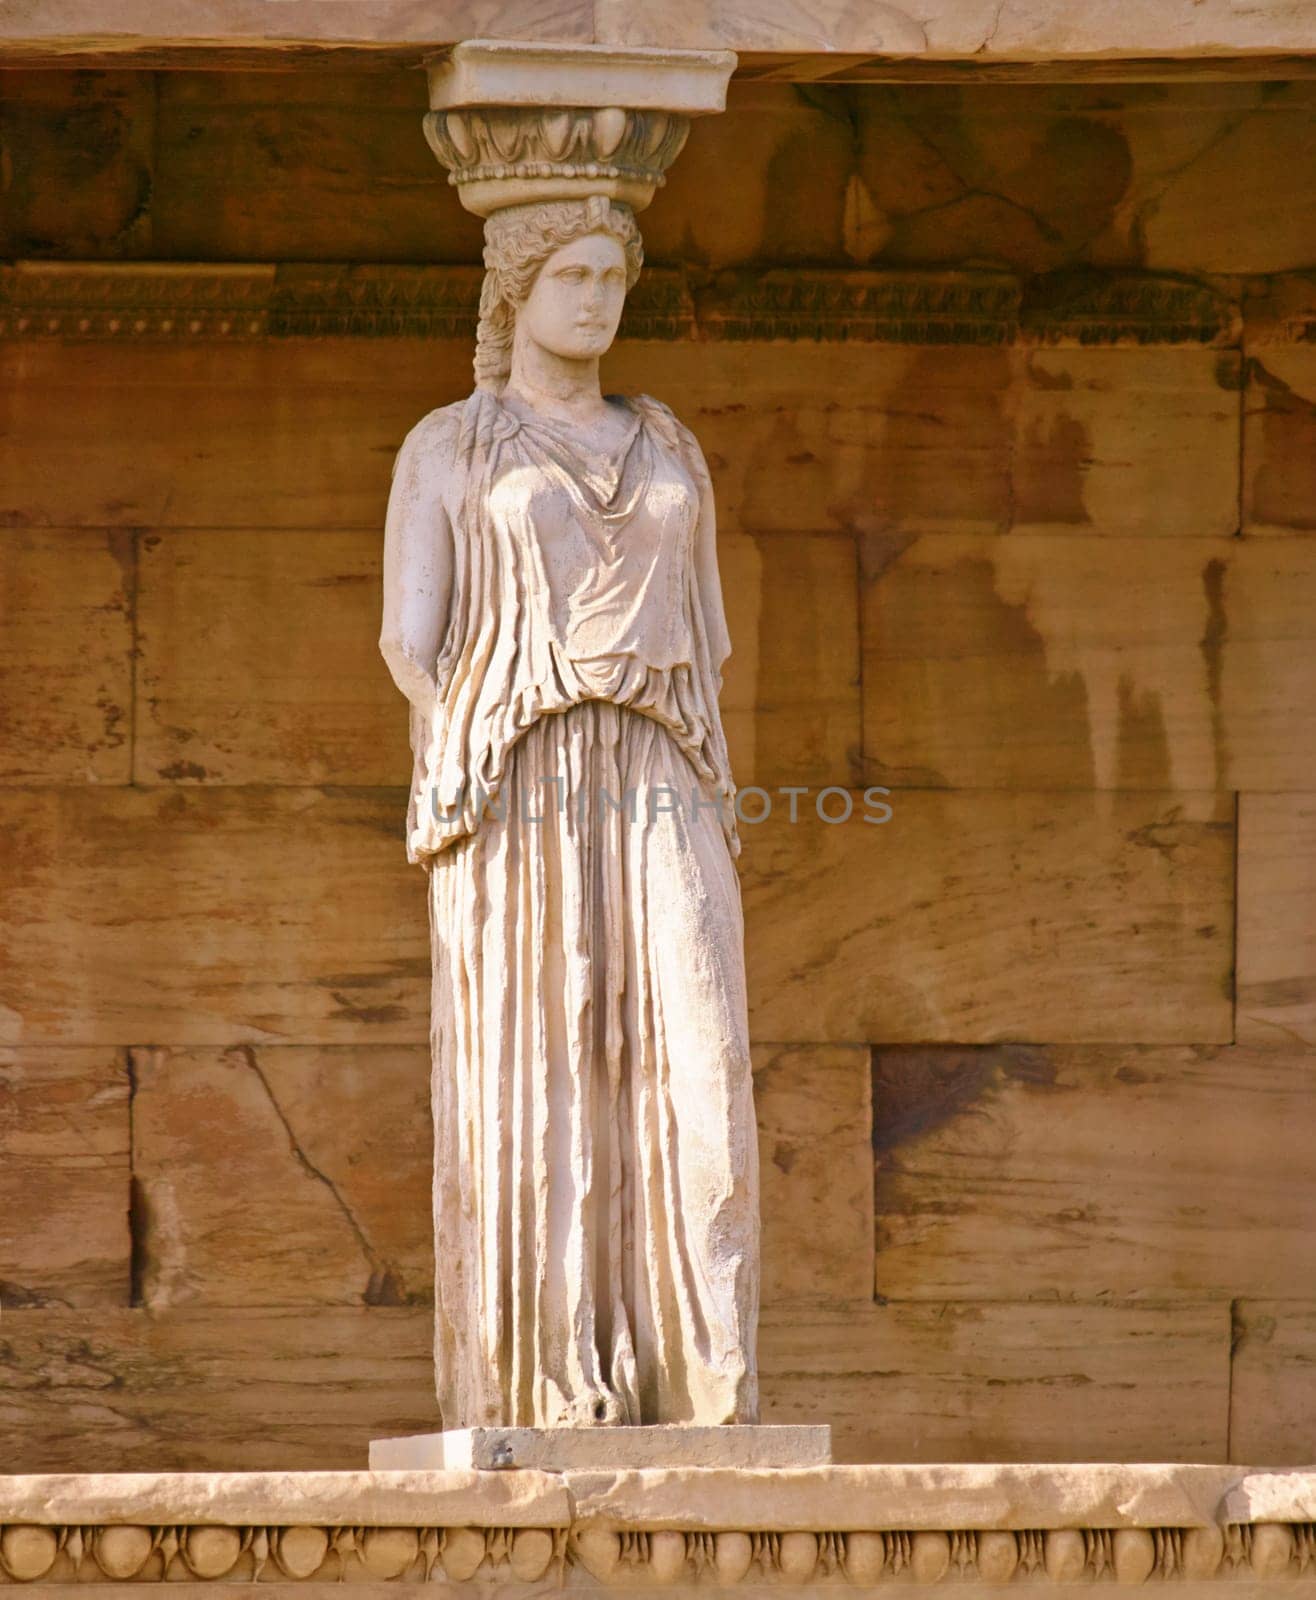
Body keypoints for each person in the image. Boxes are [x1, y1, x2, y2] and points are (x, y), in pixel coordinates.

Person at [379, 192, 759, 1429]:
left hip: (659, 764)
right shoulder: (450, 443)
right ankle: (548, 1382)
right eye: (573, 275)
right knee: (540, 1059)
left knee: (693, 1048)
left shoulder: (669, 444)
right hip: (516, 767)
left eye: (614, 277)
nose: (597, 298)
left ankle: (704, 1379)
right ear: (517, 289)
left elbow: (710, 634)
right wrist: (459, 750)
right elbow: (406, 635)